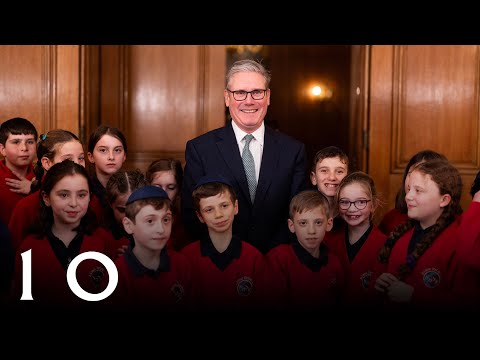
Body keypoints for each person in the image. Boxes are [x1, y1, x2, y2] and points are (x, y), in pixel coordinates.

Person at [182, 59, 309, 254]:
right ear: (227, 98)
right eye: (240, 93)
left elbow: (298, 214)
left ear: (268, 97)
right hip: (219, 264)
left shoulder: (293, 150)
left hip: (276, 263)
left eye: (257, 92)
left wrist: (272, 259)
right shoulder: (200, 149)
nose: (249, 100)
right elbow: (192, 214)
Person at [10, 160, 115, 309]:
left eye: (81, 195)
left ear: (90, 197)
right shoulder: (29, 248)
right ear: (46, 198)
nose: (73, 203)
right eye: (64, 195)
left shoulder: (103, 241)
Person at [372, 159, 470, 310]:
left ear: (444, 200)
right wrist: (383, 284)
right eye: (409, 189)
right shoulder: (401, 238)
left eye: (418, 191)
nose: (408, 196)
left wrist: (414, 296)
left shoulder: (459, 243)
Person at [181, 175, 265, 311]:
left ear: (236, 207)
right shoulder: (186, 258)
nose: (218, 214)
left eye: (224, 206)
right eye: (209, 209)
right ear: (200, 216)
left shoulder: (254, 257)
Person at [110, 185, 192, 311]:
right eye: (150, 221)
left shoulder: (182, 264)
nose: (160, 229)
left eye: (166, 220)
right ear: (128, 225)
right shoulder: (116, 274)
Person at [263, 190, 344, 311]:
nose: (311, 231)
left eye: (318, 222)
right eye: (303, 223)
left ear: (329, 223)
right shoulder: (278, 259)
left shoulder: (334, 263)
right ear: (291, 225)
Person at [8, 129, 87, 251]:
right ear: (47, 163)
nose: (77, 165)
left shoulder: (90, 199)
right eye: (68, 160)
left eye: (81, 158)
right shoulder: (26, 207)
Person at [325, 171, 387, 308]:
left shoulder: (387, 246)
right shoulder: (328, 243)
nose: (352, 209)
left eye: (361, 202)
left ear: (374, 205)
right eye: (345, 202)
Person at [378, 149, 448, 236]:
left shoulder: (451, 227)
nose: (414, 180)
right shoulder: (392, 219)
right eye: (410, 173)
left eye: (423, 174)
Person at [146, 158, 191, 251]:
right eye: (157, 187)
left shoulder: (184, 224)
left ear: (178, 190)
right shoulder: (138, 217)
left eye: (171, 187)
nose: (163, 192)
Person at [87, 125, 127, 225]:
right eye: (103, 150)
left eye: (117, 150)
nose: (111, 157)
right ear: (91, 156)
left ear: (124, 156)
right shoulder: (85, 190)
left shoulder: (133, 189)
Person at [0, 117, 38, 225]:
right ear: (3, 149)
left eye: (30, 142)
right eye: (16, 142)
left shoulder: (43, 177)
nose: (24, 148)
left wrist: (35, 189)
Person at [105, 169, 148, 258]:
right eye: (122, 210)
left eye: (136, 209)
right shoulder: (102, 238)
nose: (129, 216)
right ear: (110, 204)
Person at [310, 145, 349, 232]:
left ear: (348, 178)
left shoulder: (353, 216)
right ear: (314, 178)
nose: (332, 178)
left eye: (339, 171)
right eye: (324, 171)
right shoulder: (303, 216)